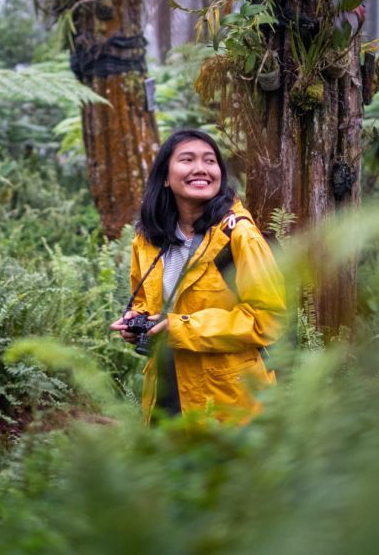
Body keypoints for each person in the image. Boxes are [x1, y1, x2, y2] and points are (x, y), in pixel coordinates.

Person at [110, 129, 286, 423]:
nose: (201, 169)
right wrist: (137, 322)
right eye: (187, 159)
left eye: (210, 161)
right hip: (164, 388)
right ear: (165, 177)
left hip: (229, 396)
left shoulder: (238, 235)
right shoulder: (149, 239)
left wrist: (181, 328)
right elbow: (146, 302)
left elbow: (267, 319)